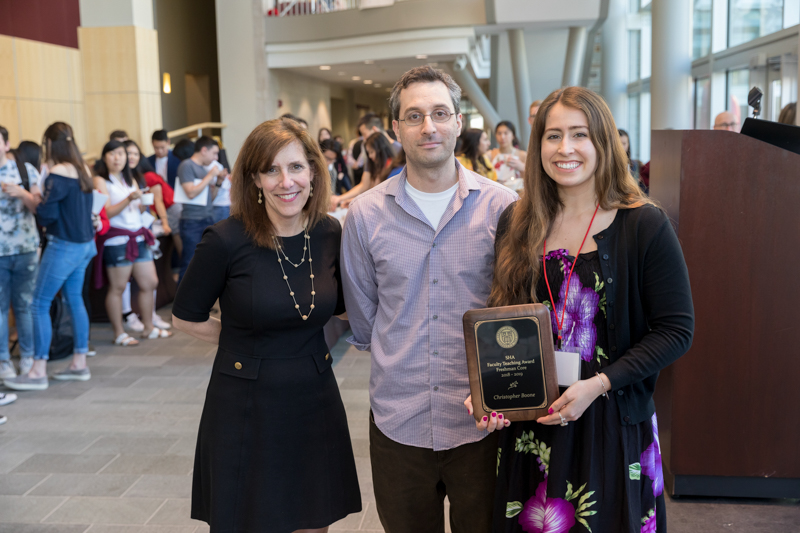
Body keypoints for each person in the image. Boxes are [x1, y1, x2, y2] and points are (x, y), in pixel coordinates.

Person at [482, 86, 694, 533]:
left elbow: (676, 330)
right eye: (552, 135)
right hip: (533, 425)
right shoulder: (517, 222)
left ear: (604, 142)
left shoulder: (643, 223)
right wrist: (489, 389)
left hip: (610, 422)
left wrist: (598, 384)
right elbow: (503, 314)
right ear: (537, 144)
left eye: (580, 134)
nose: (565, 149)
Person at [341, 66, 518, 533]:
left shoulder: (502, 207)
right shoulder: (364, 215)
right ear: (396, 128)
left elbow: (514, 308)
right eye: (414, 116)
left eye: (440, 113)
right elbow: (363, 318)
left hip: (481, 420)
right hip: (399, 418)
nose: (429, 127)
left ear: (459, 121)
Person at [172, 117, 361, 531]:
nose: (285, 181)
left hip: (314, 395)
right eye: (271, 170)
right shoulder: (225, 239)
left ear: (313, 171)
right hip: (245, 400)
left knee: (315, 518)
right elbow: (184, 317)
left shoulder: (329, 232)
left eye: (295, 167)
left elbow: (346, 310)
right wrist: (241, 340)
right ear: (254, 179)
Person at [5, 122, 96, 391]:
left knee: (37, 303)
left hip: (64, 246)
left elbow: (46, 216)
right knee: (74, 299)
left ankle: (37, 371)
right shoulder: (83, 169)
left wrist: (27, 194)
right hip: (85, 245)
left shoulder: (56, 172)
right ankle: (79, 363)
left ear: (49, 144)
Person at [93, 141, 171, 345]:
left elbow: (139, 209)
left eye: (121, 154)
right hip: (117, 238)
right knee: (118, 287)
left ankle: (148, 327)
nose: (117, 158)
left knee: (150, 282)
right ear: (105, 157)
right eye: (112, 154)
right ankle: (119, 333)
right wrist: (129, 199)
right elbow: (106, 212)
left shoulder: (132, 179)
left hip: (138, 236)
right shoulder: (101, 181)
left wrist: (142, 202)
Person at [0, 125, 41, 381]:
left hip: (26, 248)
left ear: (6, 145)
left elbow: (38, 206)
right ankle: (3, 360)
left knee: (24, 306)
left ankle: (28, 356)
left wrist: (21, 192)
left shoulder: (25, 170)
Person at [125, 140, 174, 331]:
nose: (131, 157)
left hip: (141, 230)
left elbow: (152, 204)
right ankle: (129, 315)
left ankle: (150, 316)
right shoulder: (114, 179)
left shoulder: (140, 177)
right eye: (128, 153)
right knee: (123, 283)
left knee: (150, 280)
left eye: (135, 154)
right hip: (122, 234)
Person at [175, 136, 223, 283]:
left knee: (205, 263)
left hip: (207, 218)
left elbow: (210, 199)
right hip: (192, 222)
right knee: (190, 263)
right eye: (214, 153)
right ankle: (182, 304)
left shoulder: (203, 169)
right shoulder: (187, 165)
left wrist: (219, 183)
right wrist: (210, 176)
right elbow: (190, 193)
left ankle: (199, 304)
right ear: (204, 150)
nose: (215, 158)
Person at [330, 114, 399, 210]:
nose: (363, 139)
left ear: (374, 130)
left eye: (364, 134)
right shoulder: (371, 156)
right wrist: (350, 199)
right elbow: (365, 185)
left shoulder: (401, 152)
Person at [489, 120, 527, 188]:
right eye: (499, 133)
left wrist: (521, 166)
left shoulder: (522, 155)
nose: (502, 137)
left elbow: (531, 178)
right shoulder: (490, 154)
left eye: (506, 133)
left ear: (513, 135)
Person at [618, 128, 647, 194]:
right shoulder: (607, 164)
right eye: (619, 143)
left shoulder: (635, 164)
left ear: (628, 145)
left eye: (624, 143)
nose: (621, 147)